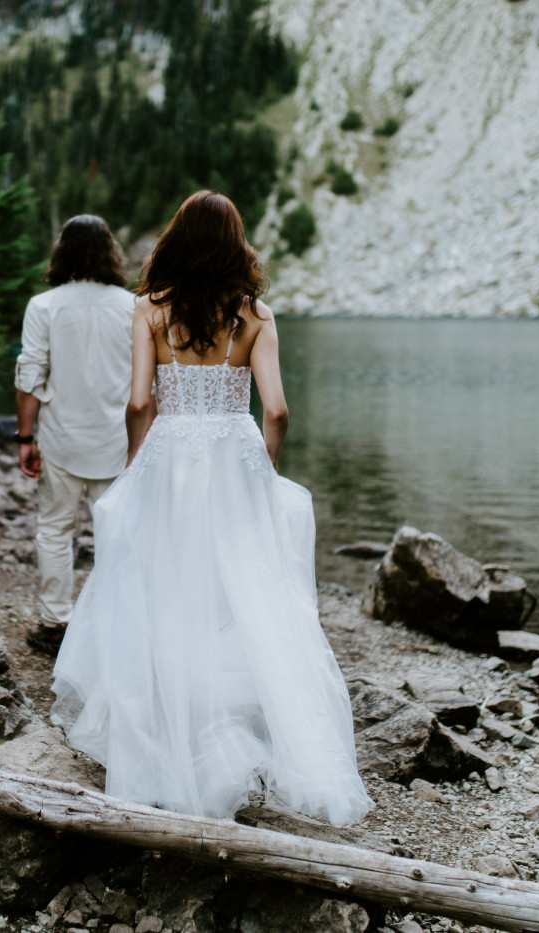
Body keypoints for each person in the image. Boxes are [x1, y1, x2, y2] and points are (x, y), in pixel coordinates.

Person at [50, 191, 373, 823]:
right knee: (243, 593)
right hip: (234, 452)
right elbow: (275, 410)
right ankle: (236, 726)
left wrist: (134, 463)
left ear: (176, 240)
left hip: (170, 455)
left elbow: (139, 402)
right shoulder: (257, 316)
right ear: (236, 244)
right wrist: (265, 465)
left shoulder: (149, 309)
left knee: (163, 585)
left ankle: (164, 732)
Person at [14, 215, 136, 655]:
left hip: (61, 438)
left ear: (61, 251)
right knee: (117, 534)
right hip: (120, 441)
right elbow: (150, 381)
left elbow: (30, 376)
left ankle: (55, 624)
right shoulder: (133, 306)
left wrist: (24, 437)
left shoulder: (43, 306)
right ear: (111, 252)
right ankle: (116, 623)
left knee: (54, 529)